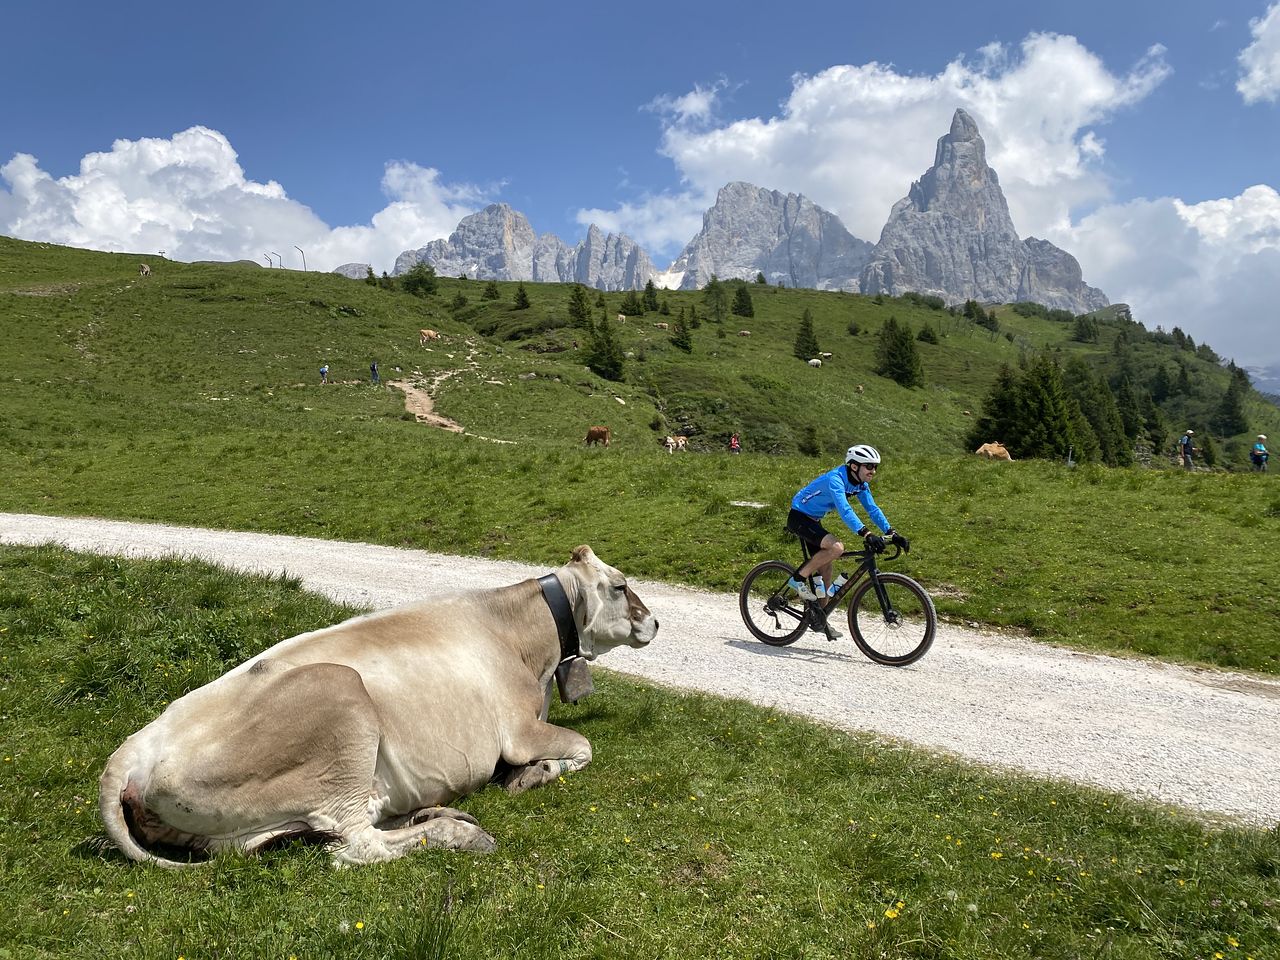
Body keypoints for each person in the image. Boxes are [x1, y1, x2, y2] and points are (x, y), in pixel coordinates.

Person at [786, 444, 909, 639]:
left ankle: (819, 619)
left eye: (875, 467)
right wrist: (867, 534)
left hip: (814, 520)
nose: (873, 471)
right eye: (869, 466)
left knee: (826, 571)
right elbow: (844, 510)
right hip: (799, 517)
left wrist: (891, 532)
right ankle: (798, 579)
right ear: (854, 466)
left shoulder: (860, 484)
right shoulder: (836, 479)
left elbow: (872, 509)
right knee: (836, 548)